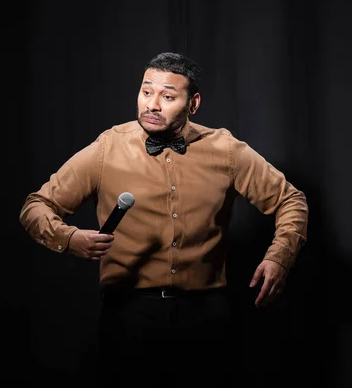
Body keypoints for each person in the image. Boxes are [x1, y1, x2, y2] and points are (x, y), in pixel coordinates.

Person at [19, 52, 309, 387]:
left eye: (167, 96)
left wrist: (280, 258)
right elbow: (36, 206)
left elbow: (292, 200)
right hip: (129, 316)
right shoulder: (107, 148)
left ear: (193, 103)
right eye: (146, 92)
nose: (152, 105)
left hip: (208, 318)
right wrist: (67, 238)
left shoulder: (227, 150)